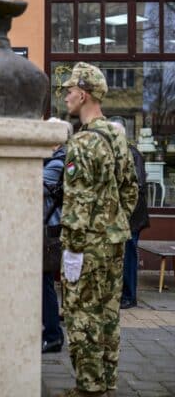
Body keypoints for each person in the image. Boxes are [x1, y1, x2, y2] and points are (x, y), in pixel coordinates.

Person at [59, 62, 138, 397]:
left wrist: (73, 248)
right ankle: (107, 383)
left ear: (84, 94)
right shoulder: (116, 135)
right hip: (114, 240)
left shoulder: (82, 141)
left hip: (87, 246)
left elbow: (77, 202)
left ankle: (88, 389)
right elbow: (130, 189)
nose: (65, 96)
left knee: (81, 316)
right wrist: (114, 222)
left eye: (69, 90)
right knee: (107, 314)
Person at [109, 118, 150, 310]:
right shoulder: (118, 153)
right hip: (123, 215)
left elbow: (137, 185)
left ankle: (129, 296)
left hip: (132, 216)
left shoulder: (132, 153)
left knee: (129, 256)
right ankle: (121, 293)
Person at [41, 118, 72, 354]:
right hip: (44, 228)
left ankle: (53, 335)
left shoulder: (57, 163)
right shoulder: (51, 159)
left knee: (45, 283)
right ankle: (48, 331)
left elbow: (32, 185)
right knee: (42, 283)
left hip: (48, 230)